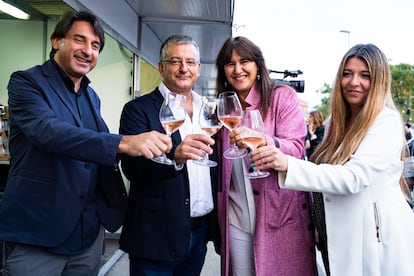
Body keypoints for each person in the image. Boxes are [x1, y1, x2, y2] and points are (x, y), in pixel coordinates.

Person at [0, 11, 172, 276]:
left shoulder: (91, 95)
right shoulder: (26, 82)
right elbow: (49, 132)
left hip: (87, 234)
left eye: (95, 46)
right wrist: (124, 142)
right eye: (79, 40)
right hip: (38, 233)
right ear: (57, 41)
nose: (88, 51)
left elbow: (91, 152)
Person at [251, 43, 414, 275]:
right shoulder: (335, 123)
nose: (353, 82)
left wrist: (289, 164)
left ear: (379, 81)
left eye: (364, 75)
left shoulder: (385, 121)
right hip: (335, 239)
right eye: (347, 74)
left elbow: (353, 178)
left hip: (370, 243)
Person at [215, 36, 317, 275]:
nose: (238, 69)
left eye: (245, 61)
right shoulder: (224, 107)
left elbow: (296, 148)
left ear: (258, 65)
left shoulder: (281, 96)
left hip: (278, 214)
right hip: (236, 215)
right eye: (230, 64)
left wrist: (263, 140)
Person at [118, 34, 219, 275]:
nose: (183, 68)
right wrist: (175, 156)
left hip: (199, 233)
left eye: (190, 62)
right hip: (155, 236)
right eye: (175, 61)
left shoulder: (209, 109)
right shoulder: (138, 109)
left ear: (198, 68)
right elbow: (132, 169)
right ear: (161, 67)